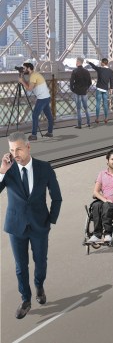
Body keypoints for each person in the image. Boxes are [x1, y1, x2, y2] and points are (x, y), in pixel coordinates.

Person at [0, 132, 62, 319]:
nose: (15, 153)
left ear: (28, 147)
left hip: (39, 226)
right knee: (21, 266)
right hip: (16, 225)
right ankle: (26, 299)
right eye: (11, 150)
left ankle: (39, 286)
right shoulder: (8, 170)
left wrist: (50, 220)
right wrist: (2, 171)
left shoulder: (44, 168)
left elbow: (57, 197)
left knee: (41, 262)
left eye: (18, 148)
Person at [19, 62, 54, 141]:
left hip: (42, 98)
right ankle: (50, 132)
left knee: (35, 115)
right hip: (46, 97)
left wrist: (22, 81)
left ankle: (34, 135)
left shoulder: (33, 76)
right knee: (49, 116)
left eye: (24, 68)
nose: (23, 70)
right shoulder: (34, 74)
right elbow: (29, 85)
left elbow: (29, 89)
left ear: (29, 68)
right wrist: (22, 77)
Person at [88, 58, 113, 125]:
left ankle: (97, 118)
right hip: (105, 89)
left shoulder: (100, 69)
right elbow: (111, 81)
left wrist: (89, 62)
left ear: (102, 63)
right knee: (105, 104)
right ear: (107, 63)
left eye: (101, 62)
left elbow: (94, 66)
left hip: (99, 88)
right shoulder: (110, 71)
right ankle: (106, 118)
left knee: (98, 104)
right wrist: (111, 89)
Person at [70, 57, 92, 129]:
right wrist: (86, 88)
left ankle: (79, 125)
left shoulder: (75, 71)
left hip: (77, 92)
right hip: (84, 92)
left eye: (76, 61)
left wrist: (73, 90)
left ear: (78, 62)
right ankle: (88, 123)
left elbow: (71, 83)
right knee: (86, 108)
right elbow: (90, 83)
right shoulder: (86, 71)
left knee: (78, 109)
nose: (76, 62)